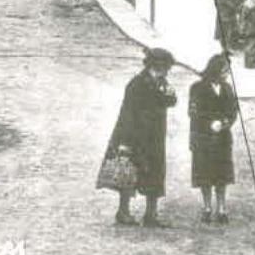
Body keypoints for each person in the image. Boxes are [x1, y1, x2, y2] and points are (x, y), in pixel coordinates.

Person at [100, 48, 178, 227]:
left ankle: (151, 215)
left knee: (156, 173)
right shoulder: (137, 84)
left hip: (155, 137)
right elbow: (127, 113)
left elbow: (171, 102)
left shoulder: (161, 82)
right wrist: (124, 142)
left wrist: (170, 94)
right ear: (157, 66)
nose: (168, 71)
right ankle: (123, 212)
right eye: (166, 67)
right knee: (129, 173)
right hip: (134, 136)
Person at [189, 54, 239, 225]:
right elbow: (193, 112)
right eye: (224, 70)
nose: (226, 74)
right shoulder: (197, 88)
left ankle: (222, 208)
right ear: (215, 70)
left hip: (222, 138)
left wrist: (224, 123)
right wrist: (210, 123)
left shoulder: (227, 88)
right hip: (203, 137)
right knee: (204, 173)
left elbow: (233, 111)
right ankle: (207, 207)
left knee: (221, 174)